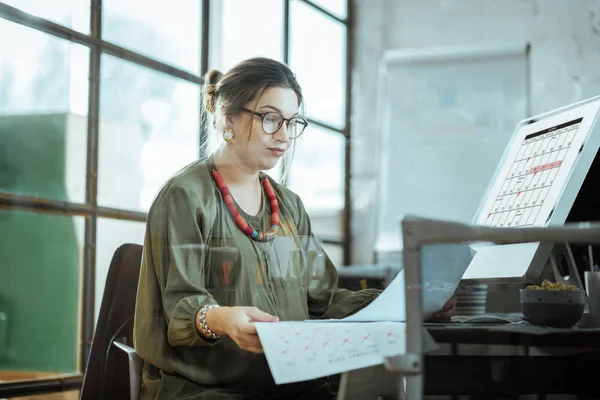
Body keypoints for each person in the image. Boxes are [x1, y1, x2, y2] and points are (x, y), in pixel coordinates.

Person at [133, 57, 457, 400]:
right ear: (228, 116)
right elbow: (181, 304)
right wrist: (222, 318)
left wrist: (409, 303)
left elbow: (323, 300)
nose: (285, 136)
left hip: (292, 386)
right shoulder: (186, 196)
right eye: (270, 119)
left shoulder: (287, 206)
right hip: (208, 388)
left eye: (292, 122)